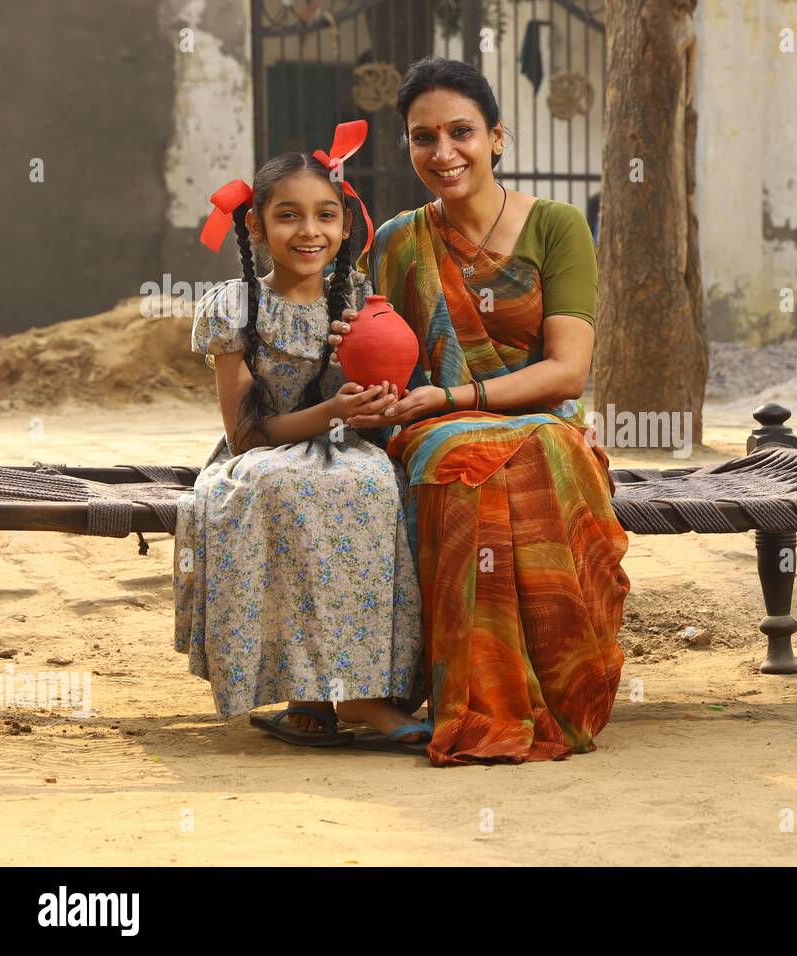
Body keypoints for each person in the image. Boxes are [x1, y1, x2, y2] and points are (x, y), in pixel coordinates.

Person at [329, 57, 630, 766]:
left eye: (460, 132)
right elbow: (392, 363)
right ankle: (481, 694)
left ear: (497, 137)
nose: (442, 153)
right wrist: (361, 360)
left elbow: (567, 370)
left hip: (538, 421)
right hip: (430, 427)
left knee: (522, 450)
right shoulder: (400, 241)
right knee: (458, 456)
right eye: (422, 137)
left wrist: (459, 396)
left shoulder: (556, 227)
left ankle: (547, 689)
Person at [174, 124, 429, 752]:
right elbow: (243, 436)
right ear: (257, 227)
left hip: (347, 450)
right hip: (260, 455)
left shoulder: (360, 305)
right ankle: (307, 691)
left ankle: (362, 690)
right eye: (288, 216)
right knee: (279, 485)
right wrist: (329, 416)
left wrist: (375, 410)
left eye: (325, 215)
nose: (309, 230)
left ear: (346, 226)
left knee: (372, 481)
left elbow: (379, 398)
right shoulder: (235, 306)